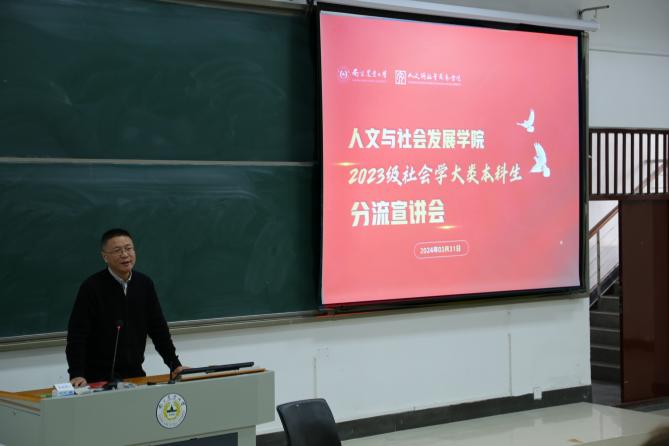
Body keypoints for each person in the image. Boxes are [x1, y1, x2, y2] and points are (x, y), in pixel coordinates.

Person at [66, 228, 183, 387]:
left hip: (134, 375)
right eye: (117, 250)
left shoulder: (144, 284)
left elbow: (158, 329)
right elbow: (77, 335)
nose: (125, 254)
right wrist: (76, 373)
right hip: (97, 378)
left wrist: (174, 364)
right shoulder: (92, 287)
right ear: (105, 256)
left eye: (129, 248)